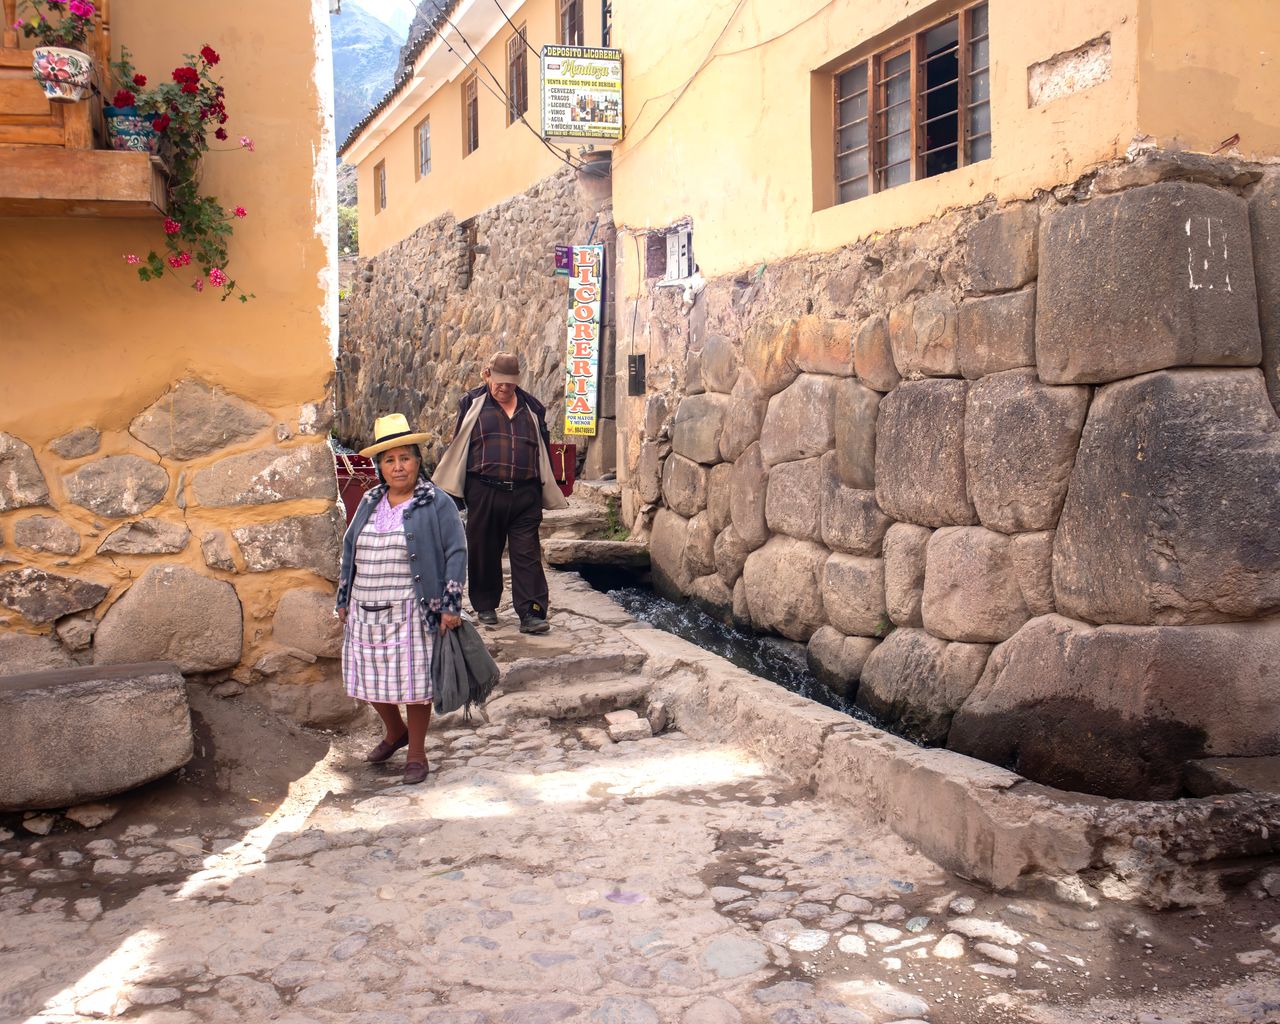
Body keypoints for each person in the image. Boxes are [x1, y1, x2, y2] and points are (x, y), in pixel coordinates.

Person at [336, 414, 466, 785]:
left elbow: (456, 551)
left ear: (417, 461)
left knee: (414, 684)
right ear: (379, 466)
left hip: (412, 608)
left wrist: (451, 605)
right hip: (365, 608)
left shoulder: (436, 502)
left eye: (405, 458)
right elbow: (349, 548)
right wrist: (344, 597)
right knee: (367, 676)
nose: (398, 467)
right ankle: (395, 732)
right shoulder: (369, 500)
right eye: (389, 460)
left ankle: (416, 754)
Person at [433, 352, 568, 634]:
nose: (504, 387)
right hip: (484, 489)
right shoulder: (472, 403)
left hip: (525, 493)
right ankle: (485, 605)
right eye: (499, 382)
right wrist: (458, 492)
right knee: (483, 550)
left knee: (527, 554)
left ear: (517, 380)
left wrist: (545, 486)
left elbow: (542, 448)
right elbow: (459, 446)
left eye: (510, 383)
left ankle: (532, 612)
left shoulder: (532, 408)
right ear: (487, 376)